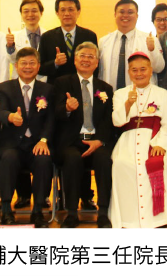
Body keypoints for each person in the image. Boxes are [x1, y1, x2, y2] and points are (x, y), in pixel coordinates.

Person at [109, 52, 167, 229]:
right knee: (122, 164)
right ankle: (128, 220)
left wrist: (161, 145)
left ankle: (158, 219)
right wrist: (128, 104)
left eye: (143, 69)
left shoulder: (163, 94)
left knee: (162, 165)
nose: (139, 73)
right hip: (127, 140)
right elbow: (117, 121)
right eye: (134, 70)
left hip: (154, 140)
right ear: (129, 72)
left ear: (151, 70)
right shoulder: (120, 94)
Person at [53, 41, 115, 229]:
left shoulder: (106, 88)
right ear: (75, 60)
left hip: (96, 141)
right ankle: (72, 213)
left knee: (105, 160)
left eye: (91, 57)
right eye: (82, 56)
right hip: (72, 141)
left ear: (97, 63)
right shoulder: (62, 83)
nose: (86, 60)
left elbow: (108, 120)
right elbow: (54, 114)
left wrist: (99, 140)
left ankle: (103, 213)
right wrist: (67, 108)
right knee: (72, 159)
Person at [0, 47, 55, 227]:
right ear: (16, 66)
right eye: (24, 63)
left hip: (36, 143)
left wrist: (43, 140)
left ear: (38, 66)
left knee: (44, 160)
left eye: (32, 63)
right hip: (12, 143)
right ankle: (6, 210)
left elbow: (51, 119)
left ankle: (37, 211)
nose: (28, 67)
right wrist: (10, 117)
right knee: (8, 158)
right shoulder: (4, 88)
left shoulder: (48, 89)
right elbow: (1, 111)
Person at [98, 0, 164, 91]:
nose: (125, 15)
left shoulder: (150, 39)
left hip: (140, 95)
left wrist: (152, 50)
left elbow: (159, 68)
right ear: (115, 15)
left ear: (137, 15)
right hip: (110, 95)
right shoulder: (103, 42)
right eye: (121, 12)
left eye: (130, 12)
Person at [39, 0, 99, 81]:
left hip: (81, 85)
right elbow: (39, 68)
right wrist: (55, 63)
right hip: (56, 86)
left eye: (71, 9)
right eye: (63, 10)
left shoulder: (89, 36)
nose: (67, 14)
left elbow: (96, 65)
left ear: (78, 12)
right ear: (57, 13)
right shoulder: (47, 37)